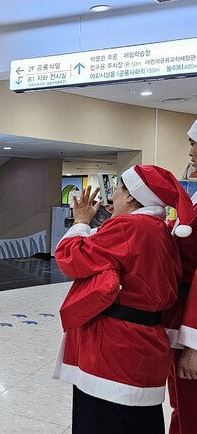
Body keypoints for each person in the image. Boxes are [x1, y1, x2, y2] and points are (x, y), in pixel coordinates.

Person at [54, 164, 193, 434]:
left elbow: (70, 258)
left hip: (113, 352)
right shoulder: (159, 230)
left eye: (117, 189)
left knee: (101, 421)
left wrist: (81, 222)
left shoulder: (129, 227)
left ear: (131, 195)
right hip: (147, 348)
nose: (113, 196)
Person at [165, 119, 197, 434]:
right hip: (181, 313)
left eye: (193, 144)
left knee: (190, 410)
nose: (190, 153)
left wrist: (194, 345)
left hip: (192, 322)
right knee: (180, 406)